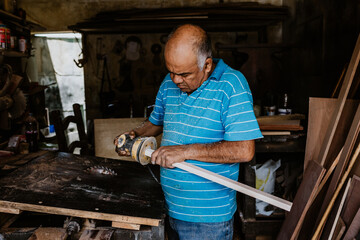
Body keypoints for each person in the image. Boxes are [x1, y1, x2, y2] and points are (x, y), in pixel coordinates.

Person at [114, 24, 262, 240]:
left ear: (207, 64)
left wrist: (184, 151)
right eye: (171, 71)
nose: (175, 80)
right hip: (170, 208)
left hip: (209, 221)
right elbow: (156, 122)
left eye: (184, 74)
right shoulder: (170, 82)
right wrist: (133, 136)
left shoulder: (232, 85)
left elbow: (244, 150)